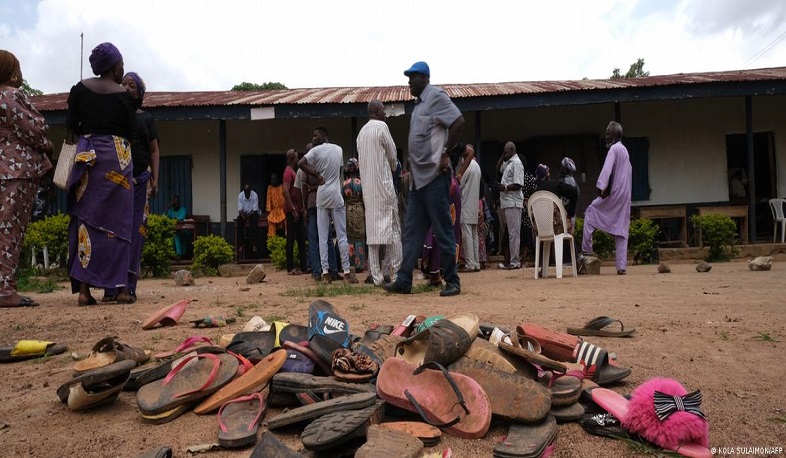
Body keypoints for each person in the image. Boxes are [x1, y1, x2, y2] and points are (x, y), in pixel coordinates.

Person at [384, 61, 464, 297]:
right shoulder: (418, 105)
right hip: (419, 182)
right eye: (408, 78)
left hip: (435, 178)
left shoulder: (436, 96)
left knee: (443, 229)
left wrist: (446, 153)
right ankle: (404, 280)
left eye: (412, 77)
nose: (409, 82)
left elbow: (458, 121)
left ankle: (453, 281)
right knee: (412, 232)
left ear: (424, 78)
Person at [66, 42, 136, 306]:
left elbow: (71, 128)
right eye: (122, 65)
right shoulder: (124, 97)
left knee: (86, 221)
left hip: (87, 160)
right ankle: (120, 290)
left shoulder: (79, 90)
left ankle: (84, 292)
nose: (123, 69)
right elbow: (130, 133)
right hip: (118, 160)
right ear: (115, 66)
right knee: (119, 225)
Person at [0, 50, 53, 308]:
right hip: (15, 174)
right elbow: (35, 128)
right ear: (11, 71)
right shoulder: (10, 95)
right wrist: (47, 145)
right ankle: (6, 291)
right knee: (10, 231)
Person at [103, 71, 160, 302]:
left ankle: (129, 285)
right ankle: (110, 288)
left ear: (140, 94)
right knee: (112, 234)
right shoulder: (111, 117)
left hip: (140, 183)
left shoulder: (146, 119)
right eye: (123, 83)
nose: (126, 87)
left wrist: (155, 178)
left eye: (132, 86)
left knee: (136, 235)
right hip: (116, 184)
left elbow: (154, 150)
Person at [299, 126, 358, 284]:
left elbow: (301, 163)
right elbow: (338, 172)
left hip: (322, 194)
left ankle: (325, 273)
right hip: (336, 194)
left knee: (323, 236)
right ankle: (346, 272)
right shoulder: (338, 150)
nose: (313, 138)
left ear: (324, 136)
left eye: (316, 135)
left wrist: (316, 175)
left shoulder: (315, 151)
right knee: (342, 235)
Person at [356, 100, 402, 286]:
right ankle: (397, 273)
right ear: (376, 111)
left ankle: (376, 277)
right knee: (394, 230)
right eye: (383, 110)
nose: (385, 113)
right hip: (384, 187)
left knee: (373, 234)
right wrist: (394, 167)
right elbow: (392, 156)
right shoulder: (382, 127)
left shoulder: (361, 133)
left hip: (369, 190)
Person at [582, 121, 632, 275]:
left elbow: (607, 170)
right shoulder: (624, 150)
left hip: (615, 193)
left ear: (616, 135)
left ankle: (587, 251)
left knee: (590, 212)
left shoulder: (614, 149)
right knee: (622, 229)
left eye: (608, 134)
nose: (606, 137)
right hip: (625, 195)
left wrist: (601, 188)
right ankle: (621, 266)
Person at [302, 143, 340, 281]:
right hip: (316, 205)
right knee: (321, 238)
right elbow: (305, 188)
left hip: (321, 203)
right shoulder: (313, 167)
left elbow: (306, 188)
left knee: (322, 238)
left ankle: (326, 271)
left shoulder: (317, 165)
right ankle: (323, 271)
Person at [496, 141, 525, 269]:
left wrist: (505, 187)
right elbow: (497, 168)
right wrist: (503, 155)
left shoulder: (517, 163)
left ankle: (515, 262)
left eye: (506, 152)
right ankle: (512, 261)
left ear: (512, 150)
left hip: (513, 202)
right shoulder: (508, 163)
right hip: (508, 202)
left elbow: (518, 184)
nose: (505, 154)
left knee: (514, 233)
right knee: (511, 233)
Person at [283, 149, 307, 275]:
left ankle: (304, 267)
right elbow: (285, 191)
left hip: (297, 209)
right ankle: (290, 267)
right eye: (297, 158)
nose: (298, 160)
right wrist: (293, 209)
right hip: (292, 211)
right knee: (291, 239)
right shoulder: (288, 172)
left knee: (301, 238)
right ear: (292, 159)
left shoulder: (293, 171)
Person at [459, 144, 481, 272]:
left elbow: (459, 185)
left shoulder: (468, 167)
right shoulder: (477, 167)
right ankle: (476, 262)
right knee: (474, 235)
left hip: (466, 204)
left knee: (467, 236)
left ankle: (470, 264)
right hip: (474, 205)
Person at [342, 157, 367, 273]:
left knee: (350, 237)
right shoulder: (361, 183)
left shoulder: (345, 184)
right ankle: (360, 264)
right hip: (359, 211)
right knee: (360, 237)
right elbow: (364, 199)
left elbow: (343, 199)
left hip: (349, 211)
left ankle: (351, 263)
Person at [237, 183, 261, 259]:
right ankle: (241, 244)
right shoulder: (240, 196)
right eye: (245, 192)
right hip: (244, 213)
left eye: (248, 192)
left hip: (252, 213)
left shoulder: (255, 195)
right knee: (239, 221)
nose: (246, 193)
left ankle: (254, 244)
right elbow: (240, 210)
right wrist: (244, 217)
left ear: (250, 191)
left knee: (254, 223)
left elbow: (255, 210)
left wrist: (248, 216)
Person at [266, 173, 286, 237]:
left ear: (277, 180)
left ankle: (287, 237)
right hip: (273, 211)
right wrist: (268, 210)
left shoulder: (282, 187)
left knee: (287, 219)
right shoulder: (270, 188)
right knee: (271, 222)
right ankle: (272, 241)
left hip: (282, 211)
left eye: (273, 179)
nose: (272, 181)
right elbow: (268, 199)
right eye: (271, 180)